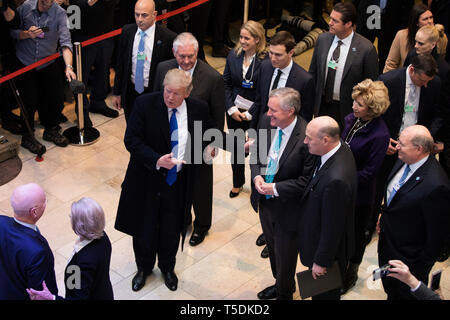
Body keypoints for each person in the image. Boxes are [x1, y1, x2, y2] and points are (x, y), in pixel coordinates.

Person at [114, 69, 213, 292]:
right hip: (146, 179)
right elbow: (131, 140)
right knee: (144, 228)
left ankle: (168, 267)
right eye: (168, 92)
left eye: (176, 94)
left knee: (172, 227)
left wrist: (238, 146)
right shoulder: (144, 104)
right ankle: (143, 268)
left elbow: (209, 135)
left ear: (187, 93)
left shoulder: (198, 109)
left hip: (178, 182)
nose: (170, 97)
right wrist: (157, 159)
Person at [153, 32, 226, 247]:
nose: (186, 61)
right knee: (176, 184)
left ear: (196, 53)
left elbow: (217, 116)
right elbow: (157, 102)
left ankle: (202, 225)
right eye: (181, 56)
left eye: (190, 56)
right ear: (174, 53)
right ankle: (182, 220)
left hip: (199, 144)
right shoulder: (162, 69)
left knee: (200, 188)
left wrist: (214, 143)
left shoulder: (212, 78)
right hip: (171, 141)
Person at [370, 54, 443, 241]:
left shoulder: (434, 84)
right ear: (412, 70)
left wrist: (427, 138)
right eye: (422, 80)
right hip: (391, 144)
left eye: (428, 81)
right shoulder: (388, 81)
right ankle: (371, 226)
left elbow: (439, 114)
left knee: (407, 189)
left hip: (417, 149)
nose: (425, 85)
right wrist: (382, 139)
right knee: (380, 186)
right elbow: (376, 114)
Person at [250, 87, 313, 300]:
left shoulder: (307, 136)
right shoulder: (267, 122)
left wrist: (275, 188)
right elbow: (257, 153)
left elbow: (306, 181)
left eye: (273, 110)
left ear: (291, 111)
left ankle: (284, 292)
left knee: (286, 254)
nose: (268, 114)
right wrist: (257, 175)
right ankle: (280, 283)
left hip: (289, 209)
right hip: (265, 203)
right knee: (274, 249)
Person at [377, 125, 450, 300]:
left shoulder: (437, 186)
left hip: (409, 261)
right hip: (388, 246)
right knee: (391, 291)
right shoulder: (404, 159)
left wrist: (417, 270)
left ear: (419, 149)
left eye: (402, 143)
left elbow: (436, 237)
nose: (397, 147)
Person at [297, 116, 357, 300]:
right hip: (323, 243)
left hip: (327, 257)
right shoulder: (340, 149)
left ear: (325, 140)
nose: (305, 141)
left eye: (309, 138)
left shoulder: (335, 180)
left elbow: (332, 227)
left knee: (323, 297)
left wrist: (321, 262)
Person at [339, 79, 390, 294]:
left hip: (360, 195)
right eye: (355, 102)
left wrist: (342, 178)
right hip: (342, 187)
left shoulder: (380, 134)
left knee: (356, 234)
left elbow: (370, 173)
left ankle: (352, 270)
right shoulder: (352, 120)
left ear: (372, 109)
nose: (353, 106)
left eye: (359, 104)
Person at [10, 0, 77, 154]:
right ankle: (27, 135)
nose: (47, 2)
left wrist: (68, 67)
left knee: (54, 98)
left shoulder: (60, 13)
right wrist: (26, 34)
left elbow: (66, 42)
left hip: (48, 62)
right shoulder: (25, 8)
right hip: (25, 62)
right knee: (29, 101)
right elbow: (12, 32)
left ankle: (51, 129)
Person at [26, 197, 113, 300]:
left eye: (72, 217)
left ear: (79, 225)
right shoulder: (103, 237)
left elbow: (78, 297)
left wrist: (52, 298)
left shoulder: (80, 264)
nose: (70, 218)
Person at [309, 2, 378, 129]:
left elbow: (371, 87)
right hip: (322, 105)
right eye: (330, 18)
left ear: (348, 24)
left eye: (335, 21)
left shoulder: (366, 49)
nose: (329, 23)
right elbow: (313, 73)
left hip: (347, 110)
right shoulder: (322, 40)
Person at [223, 20, 267, 198]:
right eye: (241, 37)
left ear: (257, 39)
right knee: (237, 147)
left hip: (256, 111)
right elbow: (225, 83)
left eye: (246, 38)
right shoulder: (233, 55)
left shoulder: (265, 61)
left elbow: (264, 91)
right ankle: (237, 182)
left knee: (257, 149)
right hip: (235, 110)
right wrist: (231, 108)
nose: (242, 41)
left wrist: (251, 113)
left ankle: (257, 183)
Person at [112, 0, 176, 122]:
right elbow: (120, 64)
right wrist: (117, 92)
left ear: (155, 14)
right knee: (132, 130)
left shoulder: (168, 38)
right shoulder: (127, 31)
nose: (139, 19)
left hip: (153, 93)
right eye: (137, 14)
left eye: (144, 15)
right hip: (131, 92)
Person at [403, 25, 450, 178]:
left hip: (426, 127)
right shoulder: (412, 55)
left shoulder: (443, 69)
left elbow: (442, 108)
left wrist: (434, 138)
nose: (416, 46)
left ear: (433, 45)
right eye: (415, 42)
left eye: (420, 43)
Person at [0, 183, 58, 300]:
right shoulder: (37, 252)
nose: (46, 203)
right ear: (34, 212)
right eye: (44, 201)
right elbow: (40, 292)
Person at [248, 30, 315, 129]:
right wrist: (252, 130)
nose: (273, 58)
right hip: (263, 127)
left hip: (285, 131)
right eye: (271, 53)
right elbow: (259, 101)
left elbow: (305, 116)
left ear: (291, 53)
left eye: (278, 55)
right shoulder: (265, 66)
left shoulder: (304, 80)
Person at [68, 0, 118, 123]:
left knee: (103, 70)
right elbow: (70, 6)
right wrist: (87, 3)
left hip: (106, 32)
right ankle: (82, 112)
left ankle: (98, 103)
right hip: (82, 34)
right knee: (81, 74)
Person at [383, 3, 447, 73]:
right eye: (425, 19)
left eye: (431, 17)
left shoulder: (441, 37)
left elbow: (440, 61)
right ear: (417, 23)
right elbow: (391, 64)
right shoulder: (401, 35)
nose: (430, 21)